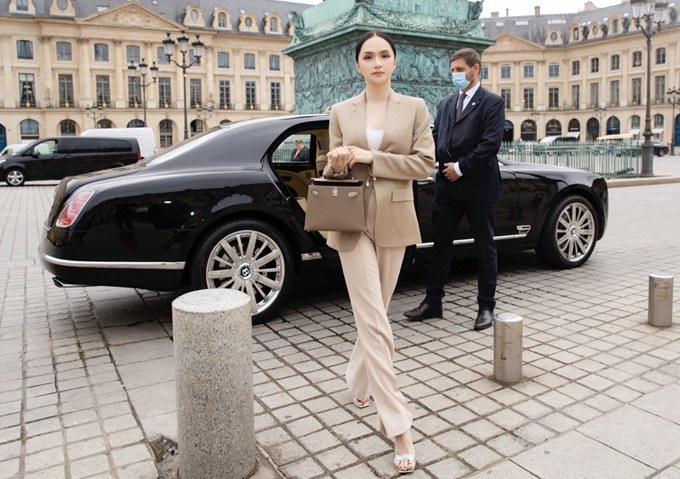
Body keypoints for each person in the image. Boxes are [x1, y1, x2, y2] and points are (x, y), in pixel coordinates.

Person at [323, 31, 435, 474]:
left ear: (394, 61)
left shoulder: (415, 108)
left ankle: (356, 378)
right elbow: (326, 164)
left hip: (393, 217)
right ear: (357, 64)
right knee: (372, 318)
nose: (376, 61)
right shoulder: (340, 111)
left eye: (384, 55)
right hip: (350, 222)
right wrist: (336, 161)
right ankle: (399, 425)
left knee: (379, 312)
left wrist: (369, 156)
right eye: (368, 56)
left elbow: (424, 164)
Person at [404, 48, 505, 331]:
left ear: (476, 69)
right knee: (440, 247)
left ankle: (486, 307)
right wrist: (421, 158)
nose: (455, 75)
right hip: (447, 188)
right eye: (452, 70)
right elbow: (436, 138)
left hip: (477, 187)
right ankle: (433, 302)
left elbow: (490, 145)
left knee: (485, 249)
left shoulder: (492, 103)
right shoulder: (446, 103)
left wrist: (460, 168)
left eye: (460, 69)